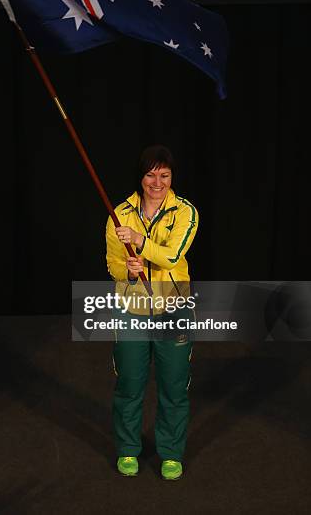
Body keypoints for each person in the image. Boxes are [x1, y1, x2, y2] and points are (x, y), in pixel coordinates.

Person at [105, 145, 198, 480]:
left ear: (172, 178)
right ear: (141, 176)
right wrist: (129, 271)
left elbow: (172, 257)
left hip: (173, 309)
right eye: (150, 174)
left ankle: (171, 453)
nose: (157, 182)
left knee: (173, 386)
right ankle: (128, 449)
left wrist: (140, 243)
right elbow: (113, 264)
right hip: (131, 310)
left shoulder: (186, 212)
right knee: (129, 383)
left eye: (164, 175)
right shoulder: (120, 213)